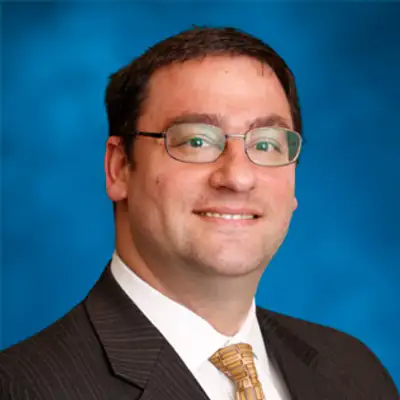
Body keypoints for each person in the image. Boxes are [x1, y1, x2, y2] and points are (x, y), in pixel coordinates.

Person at [0, 26, 398, 400]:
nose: (238, 177)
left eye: (266, 144)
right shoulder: (22, 387)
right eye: (196, 141)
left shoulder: (355, 372)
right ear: (119, 168)